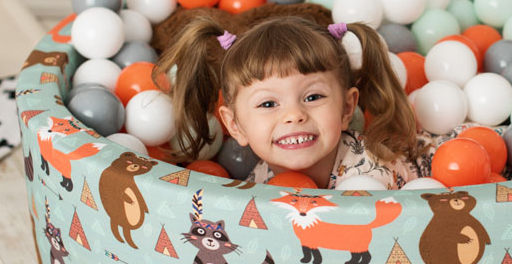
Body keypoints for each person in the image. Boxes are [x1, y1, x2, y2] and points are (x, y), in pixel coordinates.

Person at [157, 15, 423, 189]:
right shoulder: (259, 182)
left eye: (313, 97)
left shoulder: (369, 177)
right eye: (269, 104)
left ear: (346, 108)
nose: (294, 115)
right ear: (235, 125)